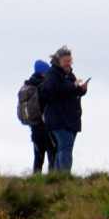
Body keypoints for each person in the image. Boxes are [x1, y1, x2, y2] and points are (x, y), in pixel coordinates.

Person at [40, 46, 88, 174]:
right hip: (58, 118)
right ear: (58, 61)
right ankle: (65, 175)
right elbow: (55, 90)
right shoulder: (52, 74)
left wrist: (82, 89)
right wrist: (72, 86)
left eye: (70, 61)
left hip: (71, 118)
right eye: (66, 61)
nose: (69, 63)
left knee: (63, 147)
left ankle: (57, 176)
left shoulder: (69, 74)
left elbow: (72, 92)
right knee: (66, 146)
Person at [20, 59, 53, 175]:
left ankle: (35, 179)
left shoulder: (28, 86)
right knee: (52, 153)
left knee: (38, 156)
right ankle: (52, 180)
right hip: (46, 125)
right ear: (44, 72)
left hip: (34, 125)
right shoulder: (43, 86)